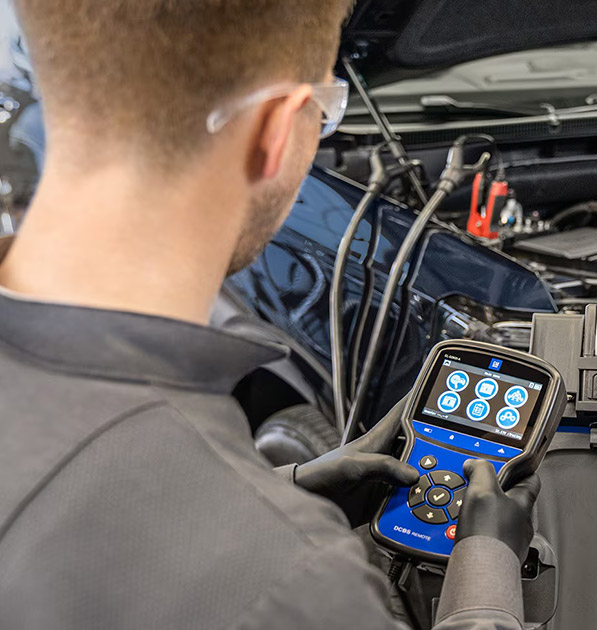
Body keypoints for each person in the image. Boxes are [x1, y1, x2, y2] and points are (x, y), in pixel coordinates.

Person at [0, 2, 538, 629]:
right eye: (326, 110)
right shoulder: (298, 584)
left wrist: (282, 488)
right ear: (277, 129)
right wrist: (487, 575)